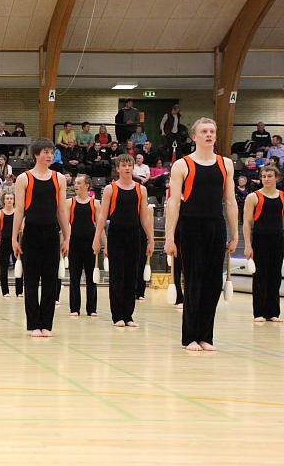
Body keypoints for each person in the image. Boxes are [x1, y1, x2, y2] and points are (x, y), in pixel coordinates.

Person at [164, 118, 238, 352]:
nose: (209, 135)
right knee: (194, 281)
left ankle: (206, 336)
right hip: (191, 226)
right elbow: (174, 203)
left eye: (212, 131)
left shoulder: (226, 164)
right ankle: (190, 337)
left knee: (213, 283)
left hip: (216, 226)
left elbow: (231, 201)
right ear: (194, 136)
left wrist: (235, 234)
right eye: (204, 131)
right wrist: (169, 237)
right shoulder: (182, 165)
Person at [12, 138, 69, 338]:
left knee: (50, 281)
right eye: (45, 152)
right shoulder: (24, 178)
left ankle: (47, 324)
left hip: (51, 233)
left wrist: (67, 237)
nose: (49, 156)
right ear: (36, 154)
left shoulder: (59, 178)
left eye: (51, 152)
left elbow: (62, 210)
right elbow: (19, 211)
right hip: (31, 234)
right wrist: (14, 238)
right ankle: (33, 324)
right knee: (31, 280)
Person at [94, 154, 154, 326]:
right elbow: (102, 216)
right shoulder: (110, 189)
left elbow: (145, 216)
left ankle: (128, 315)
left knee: (131, 275)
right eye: (124, 165)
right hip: (116, 235)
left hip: (134, 235)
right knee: (117, 275)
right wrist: (97, 238)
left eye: (130, 165)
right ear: (118, 168)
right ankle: (118, 315)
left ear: (133, 168)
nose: (127, 168)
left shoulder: (141, 189)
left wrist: (150, 239)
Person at [243, 165, 284, 323]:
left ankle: (273, 312)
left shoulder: (282, 196)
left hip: (278, 240)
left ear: (277, 178)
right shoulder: (253, 197)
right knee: (260, 276)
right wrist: (248, 245)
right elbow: (247, 223)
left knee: (275, 276)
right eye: (264, 176)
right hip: (260, 240)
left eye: (269, 176)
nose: (266, 179)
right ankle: (259, 312)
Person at [68, 175, 99, 317]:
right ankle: (74, 308)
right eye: (75, 183)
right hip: (74, 243)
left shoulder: (95, 203)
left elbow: (100, 226)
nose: (76, 185)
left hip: (90, 244)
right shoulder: (70, 202)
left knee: (91, 277)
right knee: (74, 277)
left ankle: (91, 308)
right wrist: (64, 242)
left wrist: (104, 244)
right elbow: (66, 225)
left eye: (79, 183)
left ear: (87, 185)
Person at [0, 191, 22, 298]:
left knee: (18, 266)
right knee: (4, 267)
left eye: (11, 198)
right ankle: (5, 292)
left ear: (14, 200)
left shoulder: (18, 213)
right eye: (7, 198)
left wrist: (20, 243)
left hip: (16, 242)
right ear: (3, 200)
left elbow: (21, 229)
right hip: (4, 242)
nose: (9, 200)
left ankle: (19, 291)